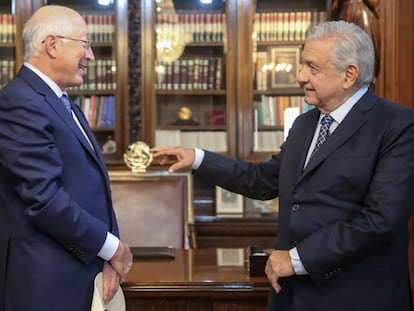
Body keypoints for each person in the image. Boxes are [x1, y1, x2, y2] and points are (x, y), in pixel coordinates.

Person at [151, 20, 414, 310]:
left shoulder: (397, 126)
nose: (301, 76)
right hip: (292, 296)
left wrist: (297, 259)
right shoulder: (304, 124)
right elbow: (262, 180)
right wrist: (198, 158)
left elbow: (380, 220)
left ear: (349, 75)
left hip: (357, 297)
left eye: (313, 68)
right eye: (303, 65)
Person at [0, 5, 132, 311]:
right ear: (52, 44)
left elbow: (92, 190)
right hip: (46, 286)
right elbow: (45, 200)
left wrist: (108, 255)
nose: (91, 56)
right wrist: (112, 247)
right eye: (84, 45)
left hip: (79, 274)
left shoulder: (60, 101)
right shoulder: (19, 103)